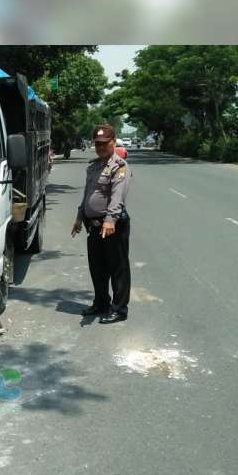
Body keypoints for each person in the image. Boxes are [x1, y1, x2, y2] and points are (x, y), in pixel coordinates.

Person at [71, 123, 132, 324]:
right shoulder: (93, 166)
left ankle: (119, 309)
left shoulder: (119, 167)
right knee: (97, 268)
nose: (101, 147)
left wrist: (110, 220)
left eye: (105, 143)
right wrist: (80, 216)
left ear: (113, 142)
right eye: (97, 144)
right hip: (93, 225)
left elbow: (117, 197)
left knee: (117, 268)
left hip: (113, 226)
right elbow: (88, 194)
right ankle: (101, 303)